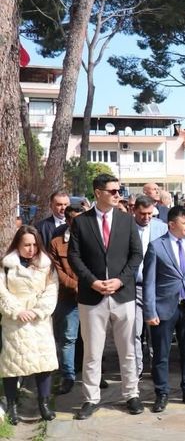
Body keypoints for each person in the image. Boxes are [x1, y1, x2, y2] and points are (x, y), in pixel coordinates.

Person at [68, 174, 144, 419]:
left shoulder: (127, 220)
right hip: (92, 297)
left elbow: (136, 255)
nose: (117, 195)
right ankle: (91, 399)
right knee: (92, 351)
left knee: (128, 349)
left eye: (118, 190)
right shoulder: (81, 222)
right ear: (98, 192)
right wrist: (93, 281)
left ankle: (131, 394)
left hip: (123, 295)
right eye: (112, 191)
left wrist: (120, 280)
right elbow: (74, 257)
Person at [143, 206, 185, 412]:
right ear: (171, 224)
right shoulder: (156, 246)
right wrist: (150, 311)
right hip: (164, 308)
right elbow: (149, 282)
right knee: (161, 354)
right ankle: (162, 393)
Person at [0, 226, 59, 424]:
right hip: (14, 321)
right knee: (12, 364)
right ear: (18, 244)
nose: (31, 249)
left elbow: (51, 290)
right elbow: (1, 292)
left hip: (39, 320)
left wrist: (38, 310)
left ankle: (43, 404)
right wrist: (17, 311)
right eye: (26, 244)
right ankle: (12, 406)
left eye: (34, 244)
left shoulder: (46, 264)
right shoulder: (7, 265)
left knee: (43, 363)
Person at [131, 196, 169, 379]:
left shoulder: (162, 228)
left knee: (155, 331)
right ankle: (136, 369)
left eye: (150, 213)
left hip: (156, 288)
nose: (146, 217)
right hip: (133, 287)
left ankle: (156, 368)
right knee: (135, 332)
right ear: (134, 211)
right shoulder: (126, 228)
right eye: (142, 214)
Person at [49, 204, 84, 395]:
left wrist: (88, 285)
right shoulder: (56, 243)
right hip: (68, 297)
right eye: (73, 220)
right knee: (68, 338)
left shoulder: (94, 239)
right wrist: (75, 285)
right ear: (68, 221)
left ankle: (93, 375)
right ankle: (68, 376)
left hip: (91, 295)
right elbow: (57, 270)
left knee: (91, 338)